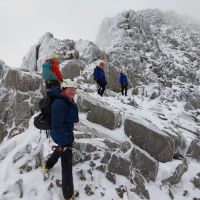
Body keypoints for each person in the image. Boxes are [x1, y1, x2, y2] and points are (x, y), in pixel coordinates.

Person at [43, 79, 79, 200]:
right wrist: (64, 142)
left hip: (66, 133)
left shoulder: (67, 100)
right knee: (67, 164)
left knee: (59, 150)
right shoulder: (59, 103)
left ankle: (48, 165)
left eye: (74, 89)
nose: (73, 92)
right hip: (61, 134)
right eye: (70, 89)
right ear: (63, 89)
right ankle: (68, 195)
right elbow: (56, 126)